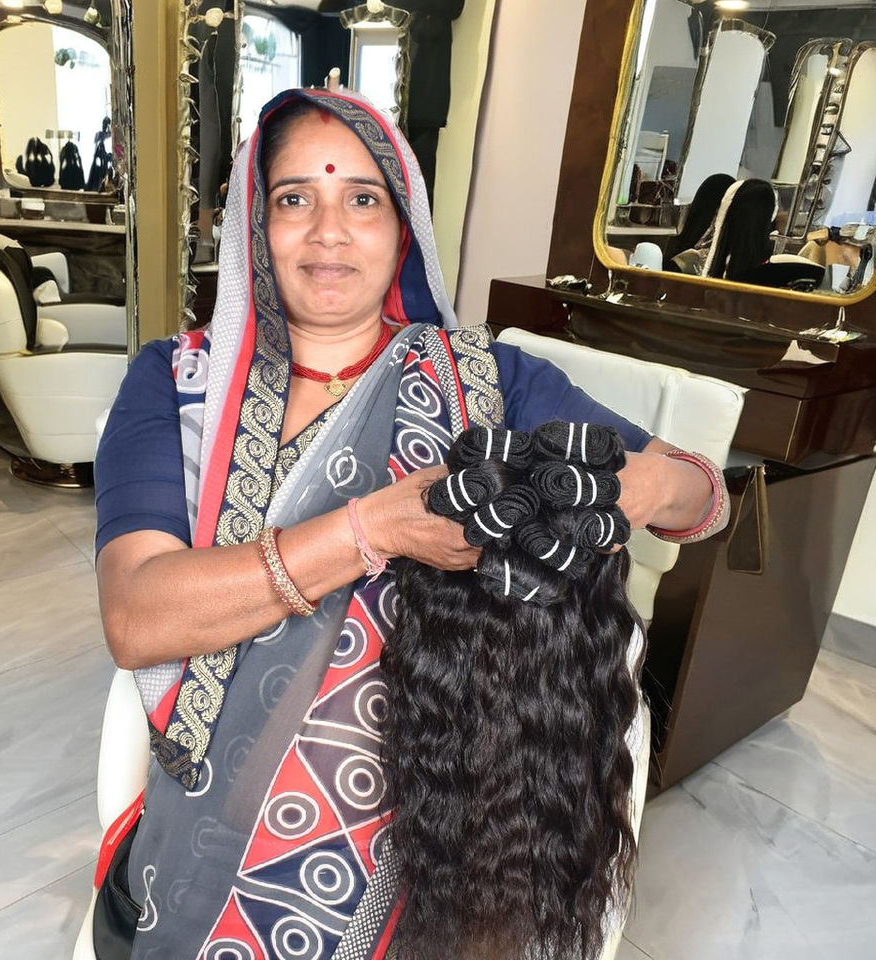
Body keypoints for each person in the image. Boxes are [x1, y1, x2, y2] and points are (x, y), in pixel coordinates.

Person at [94, 87, 727, 959]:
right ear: (253, 225)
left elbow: (704, 497)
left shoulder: (488, 378)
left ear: (403, 229)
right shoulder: (173, 385)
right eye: (294, 199)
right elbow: (137, 616)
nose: (329, 231)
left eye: (362, 198)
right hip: (220, 832)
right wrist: (373, 528)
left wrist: (645, 488)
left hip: (456, 836)